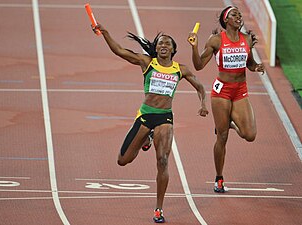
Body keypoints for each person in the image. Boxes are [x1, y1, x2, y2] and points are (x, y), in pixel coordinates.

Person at [92, 23, 208, 223]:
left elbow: (199, 86)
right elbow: (119, 51)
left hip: (165, 117)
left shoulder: (180, 69)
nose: (163, 45)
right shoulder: (147, 63)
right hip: (145, 116)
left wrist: (203, 104)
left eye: (167, 43)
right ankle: (146, 137)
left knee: (162, 160)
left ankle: (158, 209)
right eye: (160, 43)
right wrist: (106, 33)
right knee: (123, 160)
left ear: (173, 49)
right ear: (156, 48)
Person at [187, 6, 265, 193]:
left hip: (240, 90)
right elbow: (198, 66)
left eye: (239, 14)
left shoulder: (246, 39)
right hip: (222, 91)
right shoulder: (216, 40)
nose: (238, 17)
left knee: (250, 135)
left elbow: (250, 63)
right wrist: (195, 46)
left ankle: (231, 123)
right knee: (222, 137)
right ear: (226, 20)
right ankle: (219, 178)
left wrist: (257, 67)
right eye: (234, 15)